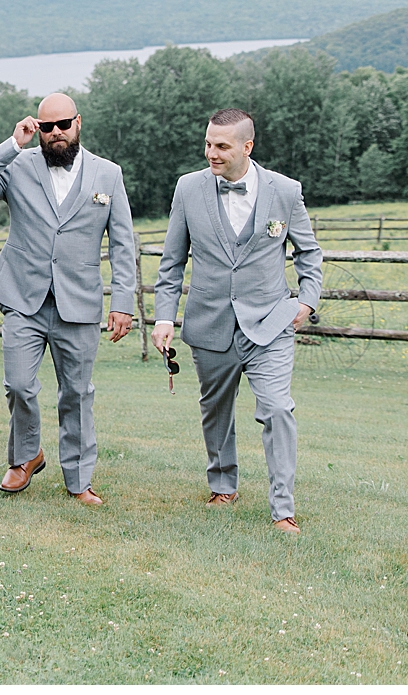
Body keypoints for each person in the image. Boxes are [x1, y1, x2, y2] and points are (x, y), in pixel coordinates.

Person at [152, 108, 322, 534]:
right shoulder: (188, 189)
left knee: (278, 409)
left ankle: (283, 509)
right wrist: (164, 318)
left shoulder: (285, 191)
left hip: (271, 323)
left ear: (247, 147)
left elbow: (309, 252)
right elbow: (172, 263)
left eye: (221, 146)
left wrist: (308, 300)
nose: (211, 153)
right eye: (208, 143)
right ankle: (223, 484)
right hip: (209, 324)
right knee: (215, 410)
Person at [0, 93, 137, 505]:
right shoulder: (17, 166)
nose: (54, 134)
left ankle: (79, 480)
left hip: (79, 302)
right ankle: (25, 457)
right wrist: (12, 144)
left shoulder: (108, 175)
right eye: (46, 127)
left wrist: (123, 300)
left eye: (62, 125)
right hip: (23, 297)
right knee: (18, 385)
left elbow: (123, 243)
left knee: (76, 393)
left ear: (78, 123)